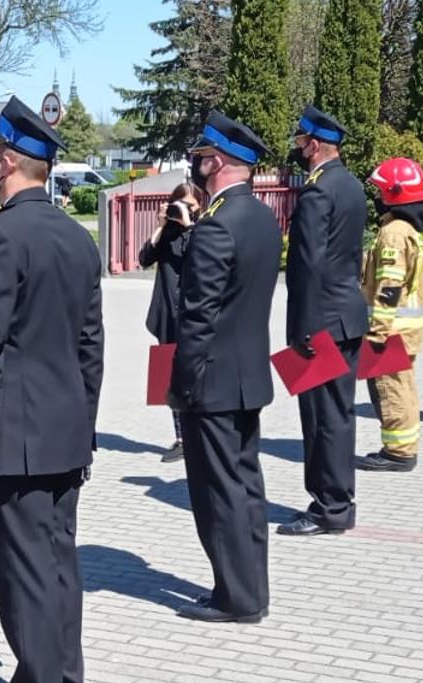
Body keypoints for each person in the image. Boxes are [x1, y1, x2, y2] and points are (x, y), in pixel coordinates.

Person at [0, 97, 104, 683]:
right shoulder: (76, 236)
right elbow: (91, 348)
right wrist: (85, 424)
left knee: (24, 574)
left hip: (12, 437)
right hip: (64, 429)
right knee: (57, 568)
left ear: (10, 162)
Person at [168, 111, 281, 624]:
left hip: (211, 383)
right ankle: (248, 587)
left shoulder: (215, 229)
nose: (195, 164)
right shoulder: (260, 219)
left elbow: (197, 320)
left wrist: (181, 386)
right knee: (245, 487)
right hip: (248, 376)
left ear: (215, 162)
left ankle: (236, 596)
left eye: (199, 157)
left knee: (219, 495)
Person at [278, 104, 368, 538]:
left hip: (322, 323)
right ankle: (339, 500)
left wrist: (304, 330)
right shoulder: (351, 185)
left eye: (300, 144)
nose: (298, 151)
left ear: (314, 146)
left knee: (321, 420)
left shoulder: (317, 192)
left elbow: (307, 265)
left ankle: (328, 507)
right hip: (346, 315)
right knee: (340, 415)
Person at [358, 158, 423, 473]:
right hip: (408, 327)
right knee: (404, 387)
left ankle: (398, 452)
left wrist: (377, 331)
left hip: (391, 329)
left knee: (391, 390)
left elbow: (390, 285)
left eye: (380, 189)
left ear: (395, 192)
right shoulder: (413, 228)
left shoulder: (394, 231)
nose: (376, 195)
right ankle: (404, 446)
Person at [141, 182, 200, 463]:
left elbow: (199, 258)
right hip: (167, 316)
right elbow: (144, 258)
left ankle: (196, 434)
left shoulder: (202, 232)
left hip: (193, 316)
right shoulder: (168, 233)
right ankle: (180, 437)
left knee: (193, 375)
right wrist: (162, 225)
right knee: (169, 378)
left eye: (188, 205)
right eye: (179, 204)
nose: (183, 210)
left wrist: (189, 225)